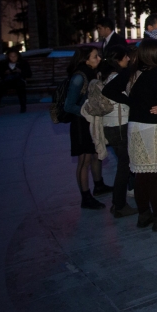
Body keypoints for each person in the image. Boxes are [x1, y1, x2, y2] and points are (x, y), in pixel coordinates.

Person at [102, 38, 157, 231]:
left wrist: (130, 101)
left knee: (141, 173)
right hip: (156, 128)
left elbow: (109, 89)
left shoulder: (131, 71)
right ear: (155, 54)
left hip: (137, 126)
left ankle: (144, 214)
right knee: (156, 175)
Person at [65, 46, 110, 209]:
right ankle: (85, 197)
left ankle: (99, 185)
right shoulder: (79, 77)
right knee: (83, 160)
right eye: (95, 57)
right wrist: (87, 111)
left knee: (95, 153)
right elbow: (69, 105)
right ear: (85, 60)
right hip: (80, 123)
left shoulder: (92, 74)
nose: (99, 59)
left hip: (90, 120)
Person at [97, 46, 137, 218]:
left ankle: (118, 203)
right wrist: (129, 100)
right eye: (126, 57)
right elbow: (112, 93)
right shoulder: (116, 77)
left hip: (111, 126)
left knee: (123, 165)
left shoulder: (105, 76)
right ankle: (119, 204)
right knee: (124, 166)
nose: (128, 60)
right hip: (119, 126)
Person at [0, 47, 32, 115]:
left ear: (18, 56)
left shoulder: (23, 63)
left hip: (19, 81)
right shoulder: (4, 63)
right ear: (8, 56)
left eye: (15, 56)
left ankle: (23, 107)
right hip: (7, 81)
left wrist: (20, 71)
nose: (13, 58)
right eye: (11, 56)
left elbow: (29, 74)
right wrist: (5, 72)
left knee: (20, 87)